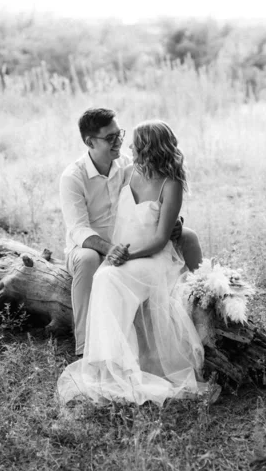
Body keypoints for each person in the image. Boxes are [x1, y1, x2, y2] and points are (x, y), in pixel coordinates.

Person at [57, 120, 212, 405]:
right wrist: (116, 253)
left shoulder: (171, 183)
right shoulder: (128, 171)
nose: (126, 145)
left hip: (153, 257)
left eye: (132, 142)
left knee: (108, 277)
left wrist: (128, 254)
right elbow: (86, 224)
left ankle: (122, 364)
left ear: (148, 148)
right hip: (125, 253)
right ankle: (108, 362)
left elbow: (160, 238)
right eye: (114, 137)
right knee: (104, 277)